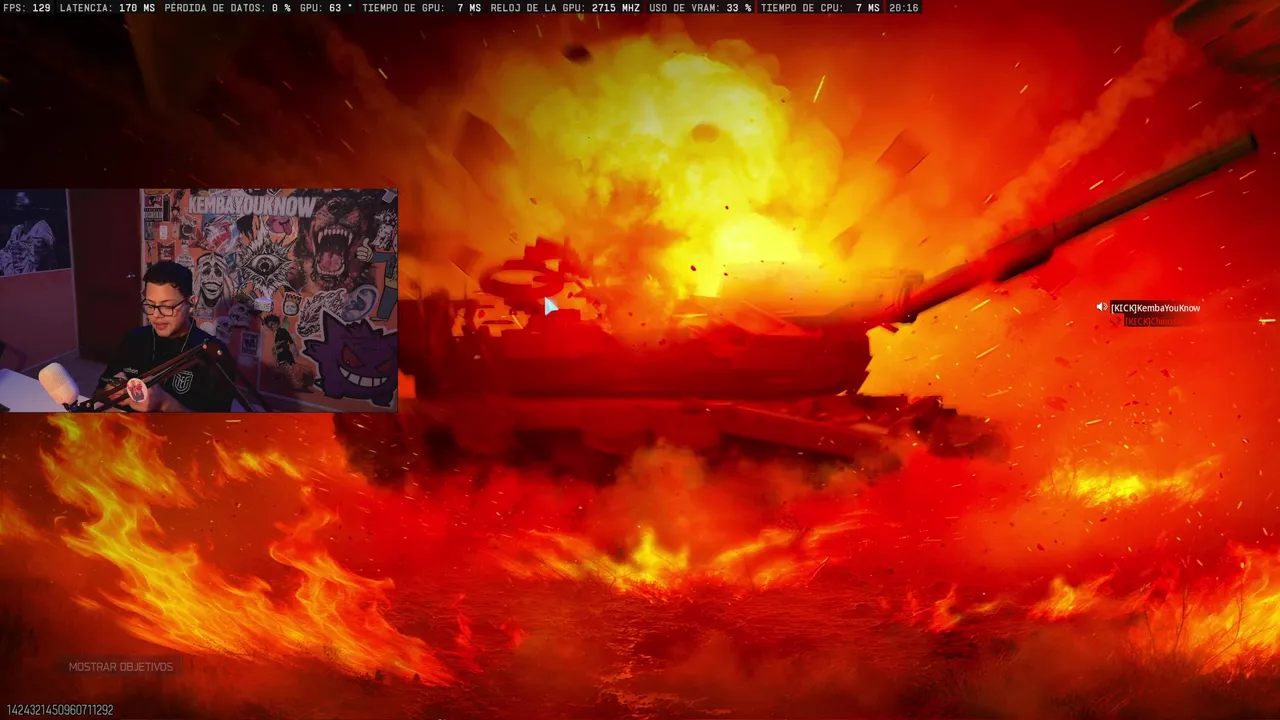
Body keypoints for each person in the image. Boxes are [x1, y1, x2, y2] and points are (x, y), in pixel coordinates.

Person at [96, 261, 236, 412]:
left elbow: (217, 424)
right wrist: (111, 391)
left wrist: (165, 403)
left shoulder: (214, 353)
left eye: (167, 306)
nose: (156, 315)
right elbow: (98, 394)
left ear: (191, 303)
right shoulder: (134, 339)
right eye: (150, 305)